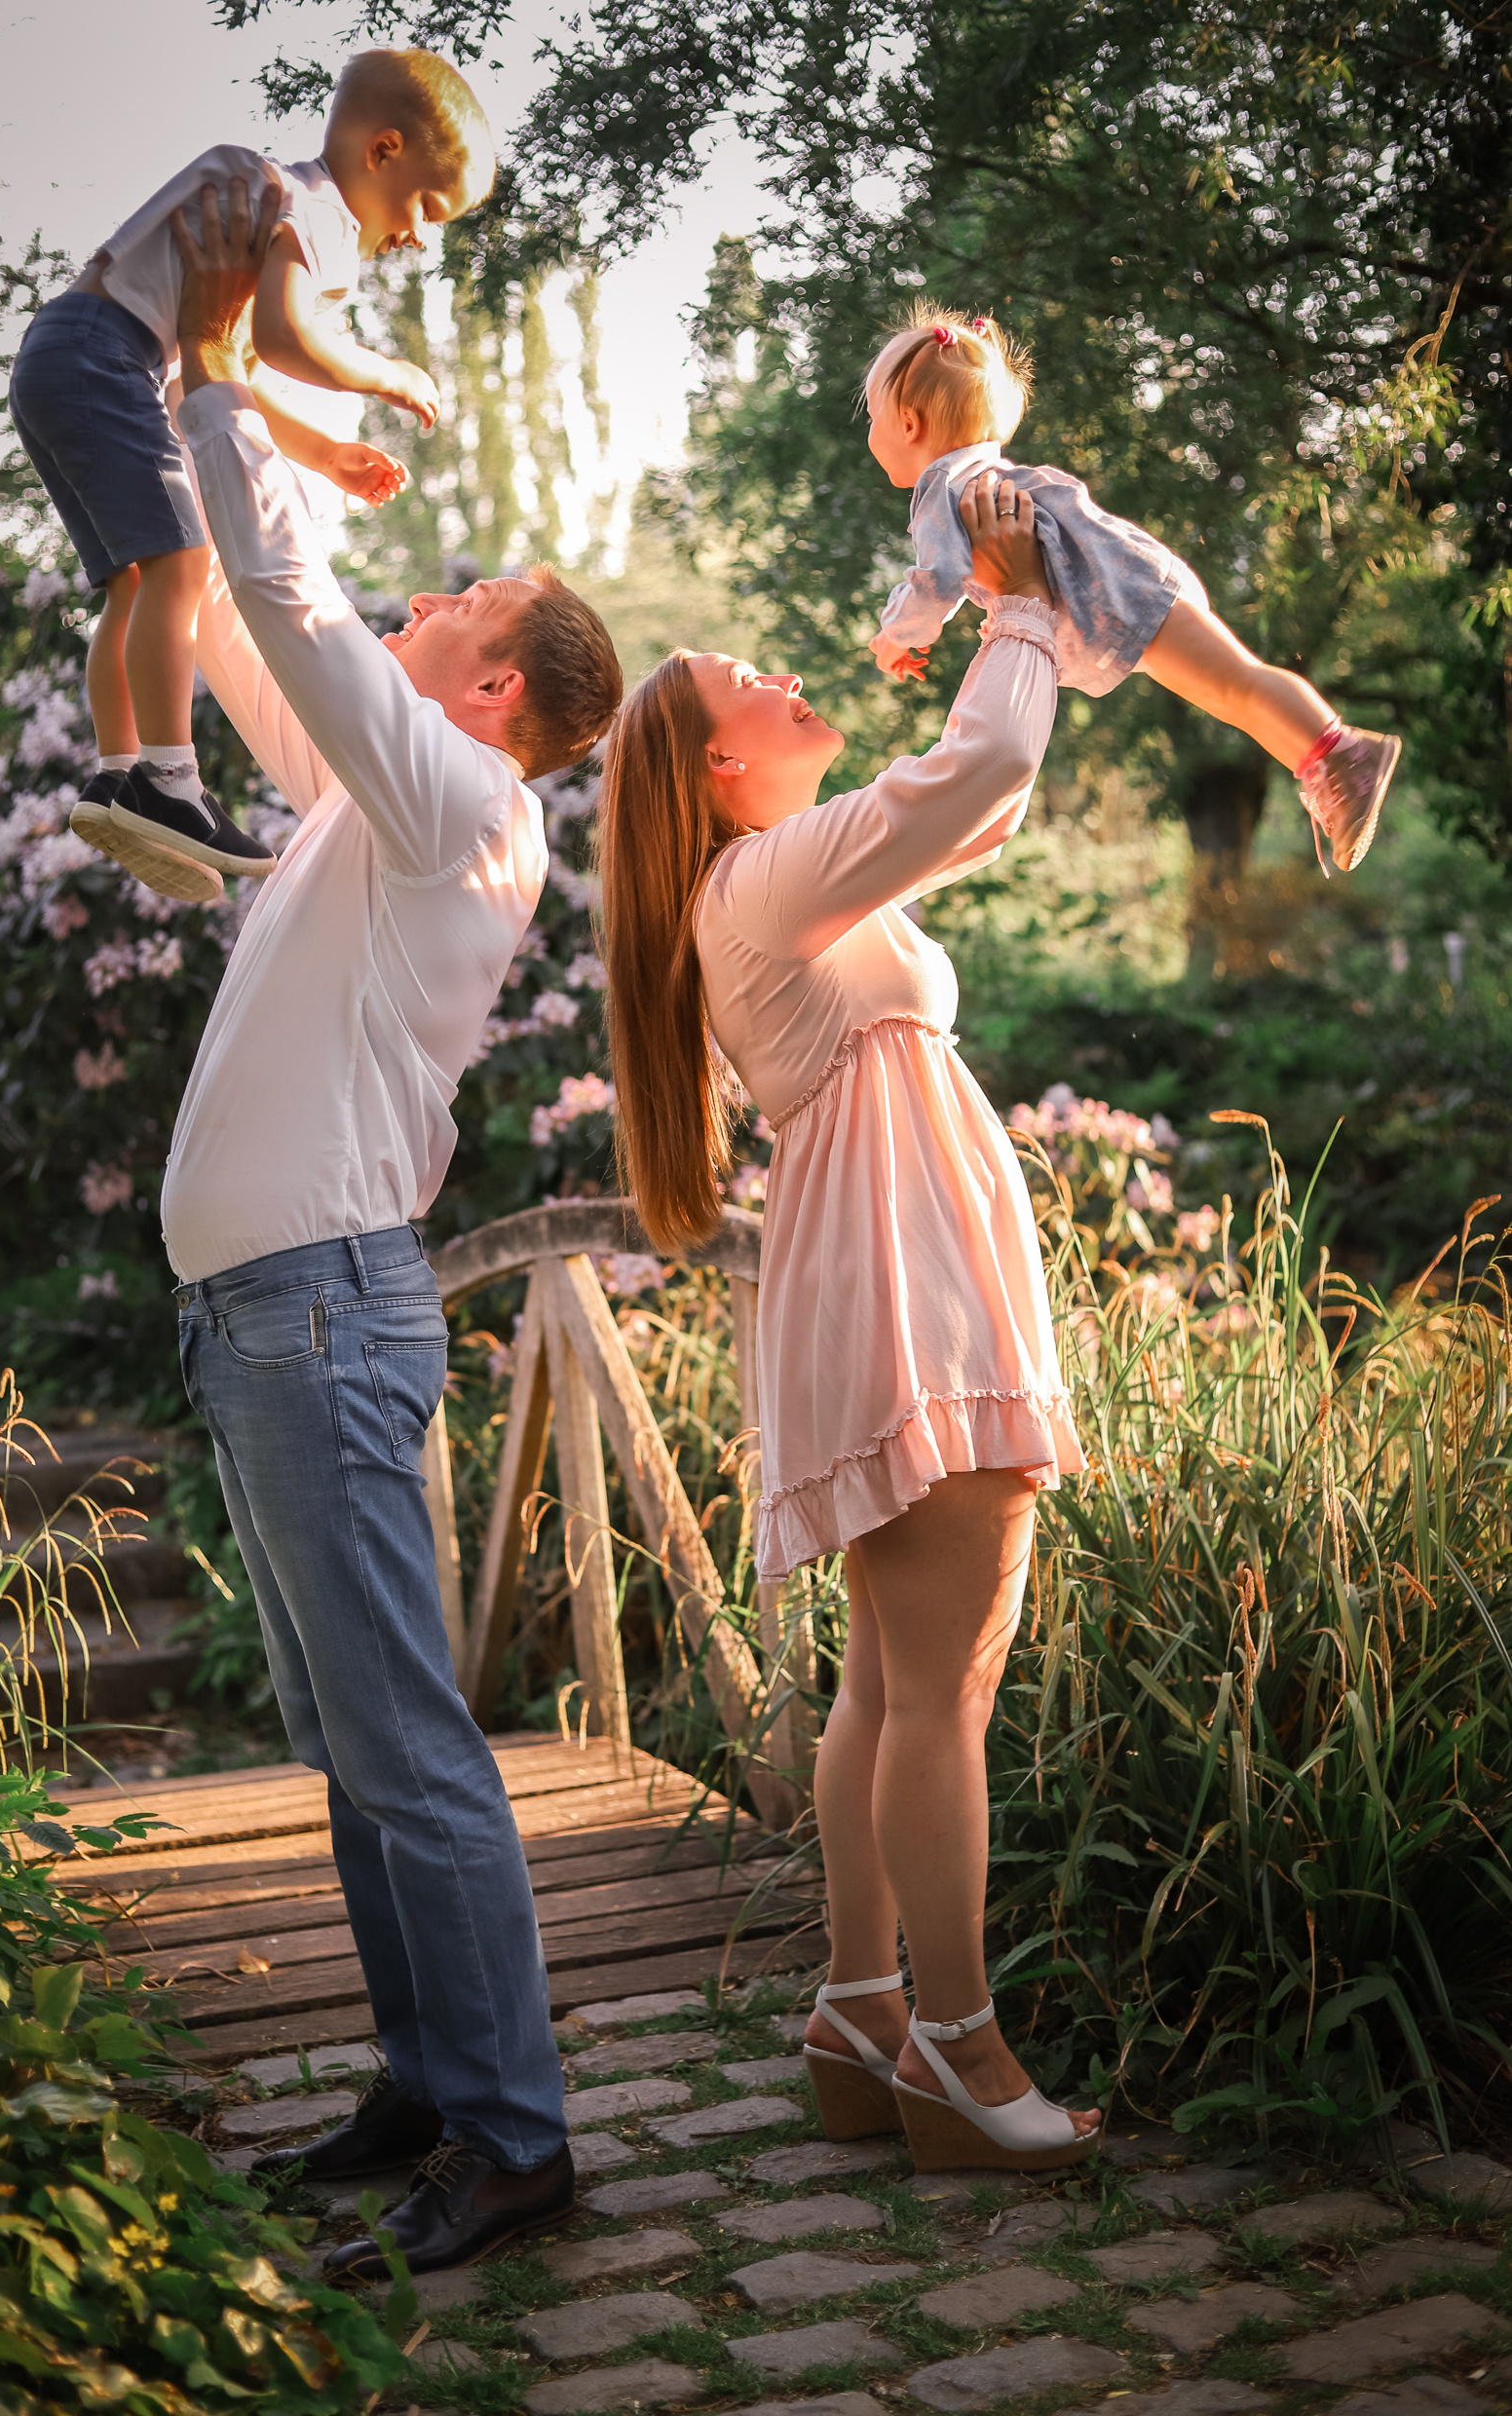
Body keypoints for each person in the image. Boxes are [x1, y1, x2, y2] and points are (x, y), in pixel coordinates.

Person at [158, 177, 624, 2273]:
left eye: (463, 592)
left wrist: (217, 351)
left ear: (500, 687)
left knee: (404, 1740)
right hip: (268, 1315)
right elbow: (263, 604)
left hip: (317, 1319)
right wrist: (206, 399)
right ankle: (431, 2082)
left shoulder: (471, 806)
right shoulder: (380, 796)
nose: (421, 595)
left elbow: (286, 587)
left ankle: (514, 2135)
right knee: (352, 1740)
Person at [597, 472, 1102, 2171]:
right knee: (941, 1689)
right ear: (717, 771)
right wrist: (1022, 599)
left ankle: (856, 2009)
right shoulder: (758, 881)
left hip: (881, 1262)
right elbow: (983, 768)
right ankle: (955, 2051)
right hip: (903, 1278)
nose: (773, 669)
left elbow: (975, 809)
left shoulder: (788, 885)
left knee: (890, 1689)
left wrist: (978, 610)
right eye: (738, 675)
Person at [8, 48, 494, 901]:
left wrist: (324, 454)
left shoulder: (259, 186)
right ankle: (169, 784)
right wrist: (388, 372)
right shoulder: (309, 209)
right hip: (104, 358)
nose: (419, 233)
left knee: (132, 583)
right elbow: (278, 338)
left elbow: (221, 369)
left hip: (61, 353)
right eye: (426, 204)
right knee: (183, 567)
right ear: (381, 150)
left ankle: (118, 775)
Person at [866, 302, 1400, 877]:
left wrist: (898, 635)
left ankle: (1344, 753)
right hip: (1130, 594)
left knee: (1237, 685)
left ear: (909, 424)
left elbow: (935, 578)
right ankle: (1323, 765)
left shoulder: (942, 487)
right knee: (1231, 696)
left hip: (1126, 602)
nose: (871, 433)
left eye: (872, 418)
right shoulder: (983, 473)